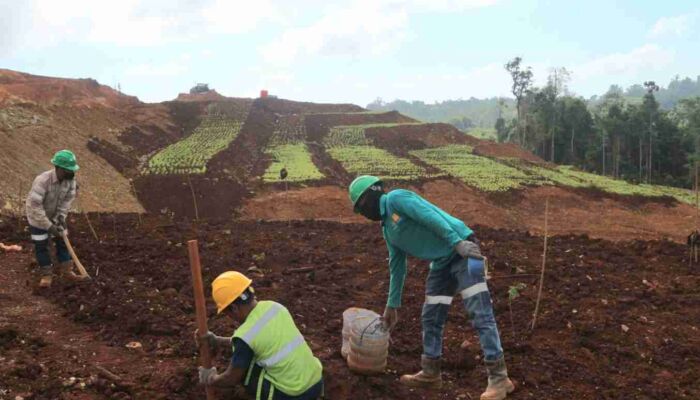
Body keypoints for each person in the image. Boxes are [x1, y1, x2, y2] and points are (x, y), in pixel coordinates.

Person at [348, 175, 515, 400]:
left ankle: (499, 378)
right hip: (441, 264)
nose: (363, 213)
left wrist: (458, 243)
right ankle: (431, 373)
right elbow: (397, 266)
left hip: (466, 250)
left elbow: (430, 216)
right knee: (431, 316)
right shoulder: (388, 229)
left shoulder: (396, 199)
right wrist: (392, 305)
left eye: (360, 207)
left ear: (369, 196)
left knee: (480, 310)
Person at [195, 271, 324, 400]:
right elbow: (259, 340)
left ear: (234, 309)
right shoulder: (275, 307)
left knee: (247, 371)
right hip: (316, 383)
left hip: (295, 394)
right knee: (251, 355)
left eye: (227, 314)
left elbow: (232, 378)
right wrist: (218, 340)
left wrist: (211, 378)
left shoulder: (245, 336)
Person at [26, 150, 86, 288]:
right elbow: (35, 208)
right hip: (37, 217)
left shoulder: (70, 181)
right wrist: (49, 227)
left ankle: (67, 271)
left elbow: (67, 200)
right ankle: (46, 275)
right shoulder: (42, 181)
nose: (71, 173)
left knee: (62, 241)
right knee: (41, 245)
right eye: (68, 170)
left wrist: (61, 217)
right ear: (58, 168)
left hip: (55, 216)